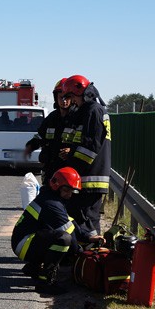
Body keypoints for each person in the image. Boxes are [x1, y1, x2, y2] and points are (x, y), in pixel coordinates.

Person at [11, 167, 104, 293]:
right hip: (24, 245)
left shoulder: (53, 198)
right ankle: (46, 281)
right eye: (66, 190)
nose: (69, 195)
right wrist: (80, 253)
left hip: (25, 241)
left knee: (60, 236)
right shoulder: (51, 203)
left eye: (72, 192)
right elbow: (70, 235)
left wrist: (88, 237)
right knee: (63, 239)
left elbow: (70, 224)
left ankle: (33, 267)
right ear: (56, 185)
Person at [60, 75, 111, 241]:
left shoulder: (93, 111)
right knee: (81, 219)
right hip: (86, 176)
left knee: (87, 221)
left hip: (89, 178)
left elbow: (90, 147)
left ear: (79, 92)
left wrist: (72, 160)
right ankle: (83, 262)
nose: (72, 101)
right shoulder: (87, 111)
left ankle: (91, 261)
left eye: (72, 97)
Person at [24, 78, 73, 183]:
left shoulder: (78, 118)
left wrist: (72, 150)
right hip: (50, 170)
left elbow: (86, 143)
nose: (64, 101)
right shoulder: (52, 118)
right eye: (61, 97)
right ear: (56, 98)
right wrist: (30, 146)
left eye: (67, 97)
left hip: (69, 172)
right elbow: (40, 136)